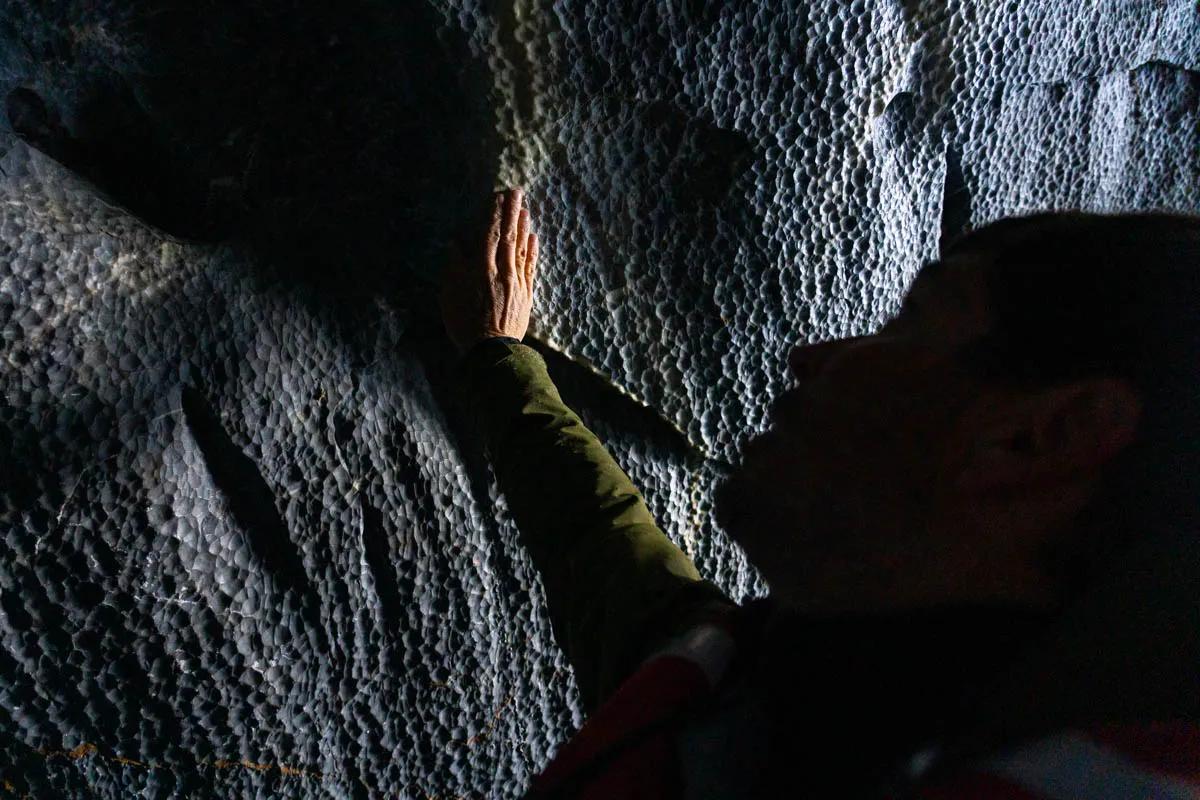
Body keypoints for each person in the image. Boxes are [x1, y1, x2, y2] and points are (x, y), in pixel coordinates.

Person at [439, 188, 1199, 798]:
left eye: (912, 323)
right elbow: (627, 581)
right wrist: (500, 359)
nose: (814, 357)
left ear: (1039, 437)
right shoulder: (781, 703)